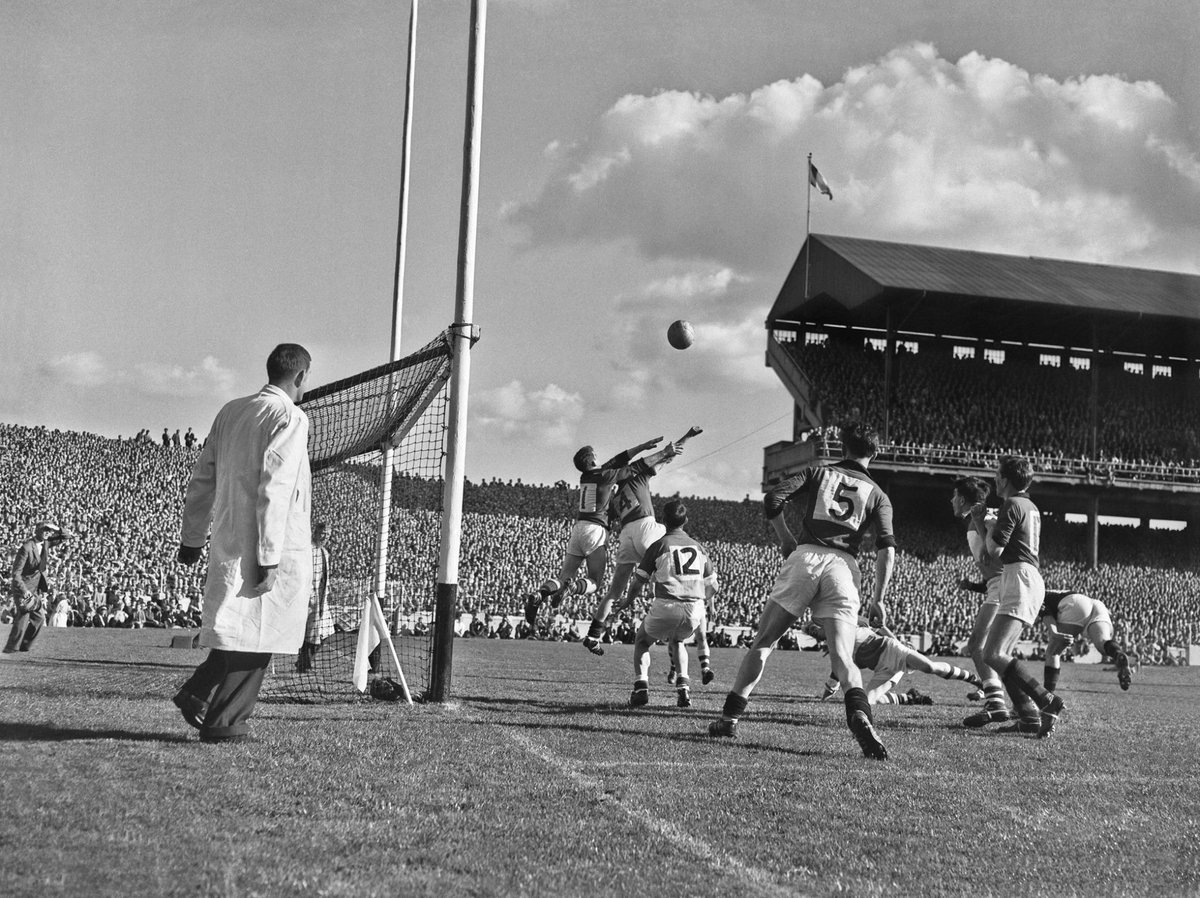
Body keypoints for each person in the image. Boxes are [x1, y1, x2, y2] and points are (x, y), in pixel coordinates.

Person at [708, 421, 895, 761]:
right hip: (844, 566)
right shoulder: (879, 496)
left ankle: (729, 718)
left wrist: (784, 538)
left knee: (764, 641)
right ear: (876, 453)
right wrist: (879, 596)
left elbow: (773, 498)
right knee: (843, 657)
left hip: (806, 557)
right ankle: (860, 714)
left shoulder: (818, 472)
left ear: (842, 447)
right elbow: (887, 548)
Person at [171, 343, 314, 744]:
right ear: (301, 376)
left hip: (229, 535)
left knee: (240, 628)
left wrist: (192, 537)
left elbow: (202, 479)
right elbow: (277, 485)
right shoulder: (291, 416)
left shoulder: (231, 411)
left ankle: (198, 692)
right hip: (269, 541)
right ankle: (225, 721)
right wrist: (269, 556)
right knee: (260, 633)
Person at [524, 436, 681, 624]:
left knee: (563, 576)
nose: (599, 457)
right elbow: (634, 468)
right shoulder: (606, 476)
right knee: (595, 581)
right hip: (595, 530)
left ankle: (540, 594)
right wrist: (663, 453)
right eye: (595, 455)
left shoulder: (587, 476)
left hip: (578, 529)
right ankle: (573, 589)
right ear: (591, 460)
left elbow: (619, 459)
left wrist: (641, 446)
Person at [967, 455, 1065, 737]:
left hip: (1019, 577)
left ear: (1006, 479)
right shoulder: (1029, 505)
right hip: (1026, 577)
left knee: (992, 653)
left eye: (997, 475)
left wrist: (979, 521)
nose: (994, 479)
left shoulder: (1011, 503)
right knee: (1002, 655)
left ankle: (1047, 701)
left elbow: (992, 552)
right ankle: (1028, 717)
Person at [579, 433, 686, 656]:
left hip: (626, 534)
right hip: (646, 527)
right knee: (674, 574)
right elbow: (663, 460)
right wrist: (686, 438)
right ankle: (677, 641)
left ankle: (593, 634)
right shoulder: (637, 477)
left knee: (614, 592)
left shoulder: (615, 494)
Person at [617, 500, 717, 709]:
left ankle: (641, 687)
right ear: (686, 521)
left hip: (667, 604)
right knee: (679, 641)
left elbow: (638, 582)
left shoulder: (659, 545)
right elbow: (713, 587)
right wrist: (704, 602)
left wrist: (627, 600)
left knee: (643, 641)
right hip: (694, 609)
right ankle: (684, 688)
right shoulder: (700, 548)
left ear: (663, 521)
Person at [951, 476, 1011, 725]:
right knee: (997, 651)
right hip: (1007, 583)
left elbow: (991, 560)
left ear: (963, 499)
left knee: (978, 646)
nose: (951, 500)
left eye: (954, 496)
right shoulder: (989, 516)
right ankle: (1020, 704)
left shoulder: (977, 523)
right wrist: (976, 586)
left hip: (1004, 585)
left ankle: (997, 701)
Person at [814, 619, 981, 705]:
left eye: (814, 628)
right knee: (868, 701)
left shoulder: (851, 626)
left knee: (929, 667)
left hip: (893, 650)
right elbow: (835, 677)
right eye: (810, 630)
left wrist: (897, 640)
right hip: (883, 670)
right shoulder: (838, 650)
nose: (813, 631)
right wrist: (824, 697)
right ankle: (908, 698)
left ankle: (974, 679)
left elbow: (880, 627)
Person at [1038, 589, 1132, 692]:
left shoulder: (1035, 595)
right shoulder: (1046, 590)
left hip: (1074, 604)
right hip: (1097, 605)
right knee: (1102, 643)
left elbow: (1046, 613)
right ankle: (1118, 654)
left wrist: (1054, 632)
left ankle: (1048, 698)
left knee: (1053, 652)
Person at [4, 522, 69, 653]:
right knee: (23, 616)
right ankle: (11, 648)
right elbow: (16, 574)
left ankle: (24, 646)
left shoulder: (46, 542)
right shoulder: (27, 547)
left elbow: (66, 536)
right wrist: (24, 592)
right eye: (45, 530)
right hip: (23, 588)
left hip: (35, 588)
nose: (48, 532)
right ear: (37, 530)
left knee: (39, 618)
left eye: (49, 531)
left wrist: (55, 527)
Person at [296, 522, 333, 674]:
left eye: (328, 534)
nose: (325, 537)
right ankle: (304, 663)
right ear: (316, 532)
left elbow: (324, 575)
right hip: (309, 597)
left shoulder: (325, 552)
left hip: (322, 598)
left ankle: (303, 661)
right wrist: (308, 592)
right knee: (310, 632)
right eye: (323, 533)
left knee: (326, 631)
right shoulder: (307, 550)